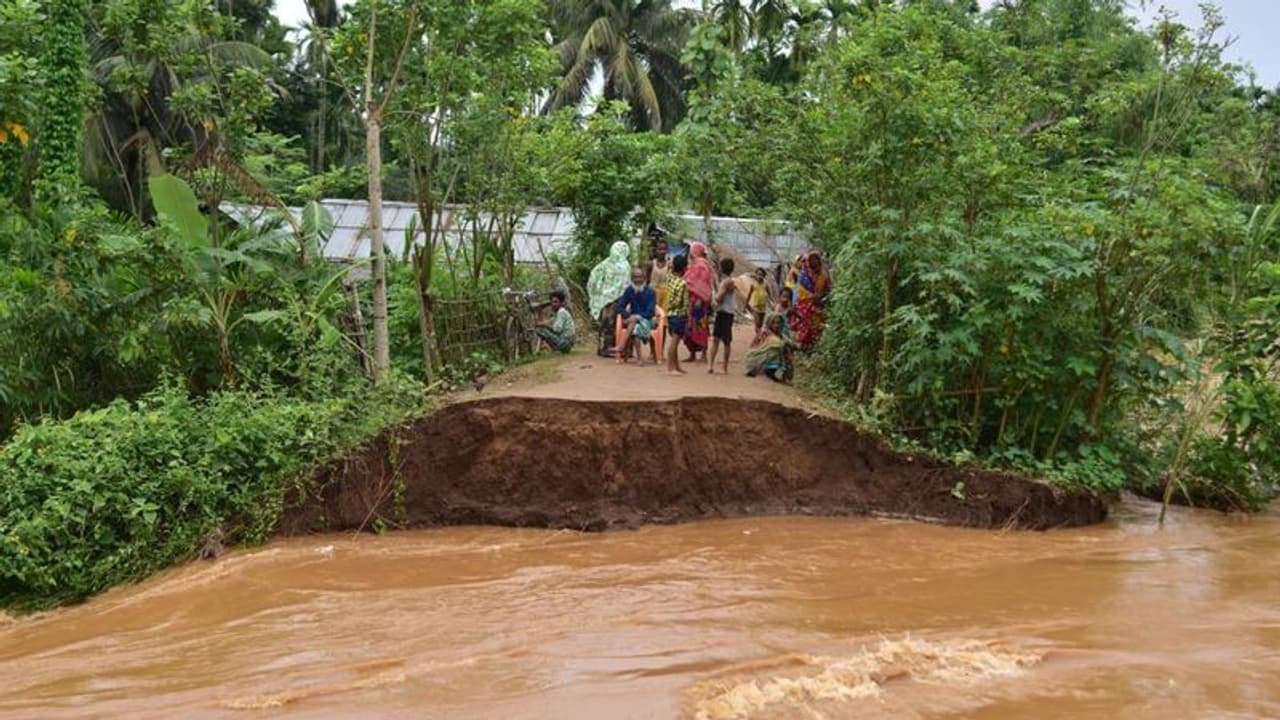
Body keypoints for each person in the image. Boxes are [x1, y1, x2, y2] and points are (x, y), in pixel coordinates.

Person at [588, 240, 632, 357]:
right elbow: (626, 285)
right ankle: (613, 348)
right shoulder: (625, 265)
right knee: (614, 324)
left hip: (603, 299)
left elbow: (593, 278)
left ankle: (602, 348)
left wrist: (599, 292)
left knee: (605, 323)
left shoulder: (605, 263)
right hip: (618, 300)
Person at [615, 267, 657, 364]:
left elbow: (650, 311)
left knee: (636, 328)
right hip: (632, 319)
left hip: (647, 320)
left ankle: (622, 347)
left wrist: (639, 316)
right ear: (631, 278)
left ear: (644, 278)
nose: (637, 280)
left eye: (640, 277)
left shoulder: (651, 292)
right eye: (635, 277)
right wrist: (628, 315)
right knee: (634, 322)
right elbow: (619, 307)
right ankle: (634, 355)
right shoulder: (629, 290)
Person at [790, 252, 832, 351]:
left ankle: (814, 350)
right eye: (811, 259)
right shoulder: (804, 275)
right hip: (805, 307)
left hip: (819, 306)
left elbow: (829, 289)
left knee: (817, 329)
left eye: (816, 259)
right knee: (804, 329)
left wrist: (822, 297)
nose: (814, 261)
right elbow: (799, 292)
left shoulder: (825, 275)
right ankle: (804, 350)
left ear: (819, 260)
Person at [684, 241, 715, 361]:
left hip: (699, 302)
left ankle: (703, 355)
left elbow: (702, 285)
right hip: (691, 301)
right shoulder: (696, 264)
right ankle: (692, 354)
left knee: (701, 328)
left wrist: (700, 299)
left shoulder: (701, 265)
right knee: (691, 328)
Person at [707, 257, 737, 374]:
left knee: (721, 340)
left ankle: (716, 366)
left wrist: (713, 297)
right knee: (723, 341)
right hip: (725, 314)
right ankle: (720, 366)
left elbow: (719, 298)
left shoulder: (727, 282)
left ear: (721, 268)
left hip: (724, 313)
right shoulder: (728, 281)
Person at [745, 313, 795, 383]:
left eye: (778, 323)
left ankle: (782, 375)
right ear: (769, 324)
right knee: (776, 348)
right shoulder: (766, 333)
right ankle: (768, 370)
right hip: (760, 356)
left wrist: (791, 345)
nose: (776, 325)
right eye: (773, 323)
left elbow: (788, 342)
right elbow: (776, 342)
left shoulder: (780, 334)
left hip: (767, 356)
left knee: (786, 350)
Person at [664, 255, 689, 375]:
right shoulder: (683, 283)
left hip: (670, 314)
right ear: (685, 268)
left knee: (675, 341)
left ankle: (676, 366)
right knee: (674, 342)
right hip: (679, 314)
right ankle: (670, 367)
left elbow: (668, 270)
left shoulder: (670, 278)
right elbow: (679, 301)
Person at [648, 240, 671, 310]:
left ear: (667, 251)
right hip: (652, 293)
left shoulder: (669, 265)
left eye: (664, 249)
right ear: (656, 250)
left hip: (664, 295)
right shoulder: (651, 264)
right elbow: (646, 280)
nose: (662, 252)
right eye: (659, 249)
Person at [747, 266, 769, 334]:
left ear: (764, 276)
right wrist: (746, 304)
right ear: (756, 275)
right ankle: (758, 337)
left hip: (763, 307)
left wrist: (772, 303)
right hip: (755, 307)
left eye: (761, 275)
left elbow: (769, 294)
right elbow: (749, 295)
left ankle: (758, 336)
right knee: (757, 324)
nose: (759, 276)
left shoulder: (766, 284)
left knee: (760, 324)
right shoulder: (753, 284)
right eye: (758, 274)